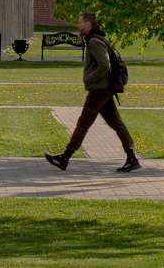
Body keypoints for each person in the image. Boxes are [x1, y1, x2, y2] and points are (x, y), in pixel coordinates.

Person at [45, 11, 140, 172]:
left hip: (99, 90)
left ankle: (64, 159)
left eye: (80, 22)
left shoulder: (94, 41)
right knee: (116, 123)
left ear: (88, 25)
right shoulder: (95, 39)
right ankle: (131, 158)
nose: (78, 25)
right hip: (104, 90)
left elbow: (105, 65)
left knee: (83, 124)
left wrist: (89, 78)